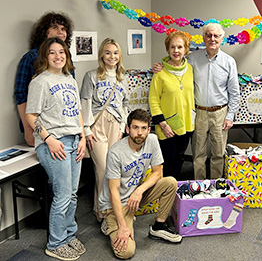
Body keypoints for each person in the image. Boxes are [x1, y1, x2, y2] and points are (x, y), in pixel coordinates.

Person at [153, 23, 240, 180]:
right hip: (198, 112)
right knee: (198, 154)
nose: (212, 39)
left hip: (220, 113)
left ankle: (215, 188)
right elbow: (175, 65)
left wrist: (230, 115)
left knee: (218, 154)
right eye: (209, 35)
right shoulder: (192, 59)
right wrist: (160, 66)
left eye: (216, 36)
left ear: (222, 38)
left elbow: (234, 92)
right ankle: (199, 186)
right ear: (204, 38)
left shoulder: (229, 62)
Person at [25, 37, 86, 261]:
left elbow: (77, 110)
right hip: (54, 143)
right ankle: (55, 242)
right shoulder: (40, 81)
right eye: (52, 52)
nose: (58, 56)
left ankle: (69, 235)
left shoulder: (70, 79)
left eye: (62, 52)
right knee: (61, 195)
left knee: (72, 194)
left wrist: (82, 137)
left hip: (74, 140)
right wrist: (48, 139)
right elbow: (31, 115)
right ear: (45, 56)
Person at [98, 109, 182, 259]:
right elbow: (113, 191)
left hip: (134, 196)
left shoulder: (152, 140)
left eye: (143, 128)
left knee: (170, 182)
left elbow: (157, 172)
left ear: (148, 130)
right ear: (127, 129)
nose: (139, 133)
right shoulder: (115, 152)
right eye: (135, 128)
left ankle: (158, 227)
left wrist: (139, 191)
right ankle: (110, 222)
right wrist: (122, 227)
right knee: (126, 252)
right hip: (114, 204)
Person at [80, 38, 129, 221]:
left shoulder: (122, 77)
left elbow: (125, 104)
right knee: (102, 169)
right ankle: (102, 211)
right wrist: (86, 129)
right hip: (97, 126)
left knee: (115, 169)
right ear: (101, 54)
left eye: (115, 53)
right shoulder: (91, 76)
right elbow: (84, 102)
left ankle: (114, 207)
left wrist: (123, 127)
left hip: (115, 125)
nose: (112, 56)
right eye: (108, 52)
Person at [14, 11, 74, 147]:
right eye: (55, 27)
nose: (60, 31)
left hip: (65, 129)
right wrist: (28, 129)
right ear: (44, 32)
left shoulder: (66, 59)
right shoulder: (31, 58)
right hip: (41, 129)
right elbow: (21, 96)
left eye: (63, 29)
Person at [149, 31, 195, 180]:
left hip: (186, 123)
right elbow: (153, 100)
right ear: (168, 49)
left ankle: (174, 193)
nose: (176, 51)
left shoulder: (190, 70)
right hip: (167, 125)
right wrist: (163, 124)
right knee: (167, 162)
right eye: (172, 47)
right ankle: (164, 195)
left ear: (185, 49)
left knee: (179, 159)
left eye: (180, 47)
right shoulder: (160, 73)